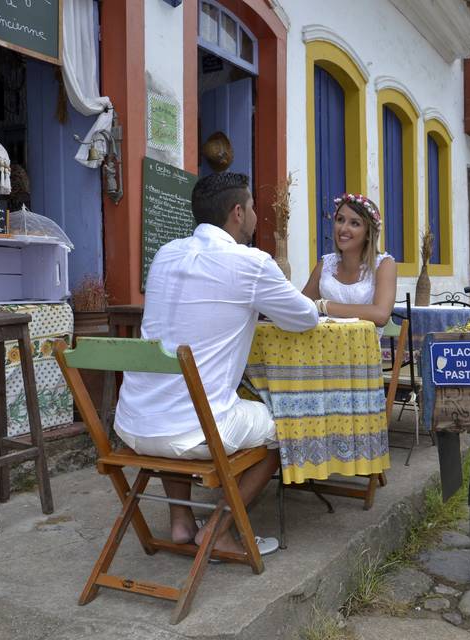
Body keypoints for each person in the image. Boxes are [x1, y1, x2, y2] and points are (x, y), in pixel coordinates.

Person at [114, 172, 319, 556]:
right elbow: (304, 317)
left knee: (175, 395)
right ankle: (219, 528)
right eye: (254, 208)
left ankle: (180, 521)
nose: (257, 217)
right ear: (238, 212)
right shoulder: (251, 263)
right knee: (282, 431)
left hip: (133, 423)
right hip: (197, 431)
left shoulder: (165, 255)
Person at [302, 193, 397, 328]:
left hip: (363, 347)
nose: (343, 228)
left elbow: (381, 315)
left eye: (354, 223)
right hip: (322, 345)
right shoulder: (325, 264)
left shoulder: (384, 265)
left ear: (369, 234)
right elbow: (301, 305)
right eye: (340, 220)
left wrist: (323, 305)